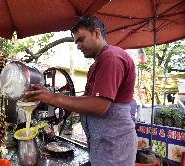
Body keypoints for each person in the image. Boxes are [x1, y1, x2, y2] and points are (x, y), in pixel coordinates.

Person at [24, 16, 137, 166]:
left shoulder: (112, 58)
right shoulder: (98, 64)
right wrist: (52, 96)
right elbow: (86, 101)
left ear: (97, 33)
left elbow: (99, 106)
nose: (78, 46)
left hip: (114, 148)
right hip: (103, 145)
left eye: (81, 40)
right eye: (76, 41)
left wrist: (51, 98)